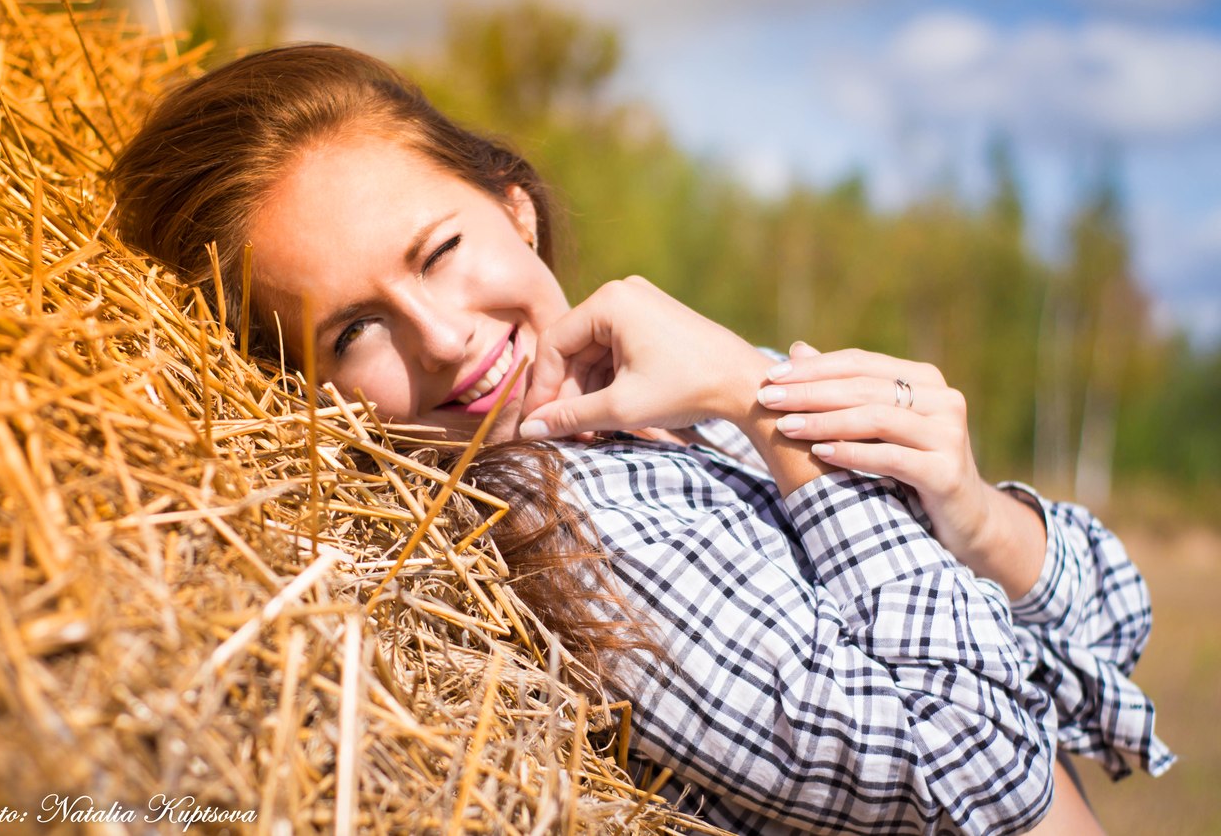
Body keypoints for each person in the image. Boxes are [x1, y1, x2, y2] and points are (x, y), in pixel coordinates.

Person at [109, 44, 1172, 834]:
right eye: (353, 329)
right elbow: (987, 781)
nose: (439, 339)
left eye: (437, 252)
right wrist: (766, 398)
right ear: (304, 388)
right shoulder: (566, 542)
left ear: (512, 207)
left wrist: (979, 516)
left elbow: (1114, 623)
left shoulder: (663, 388)